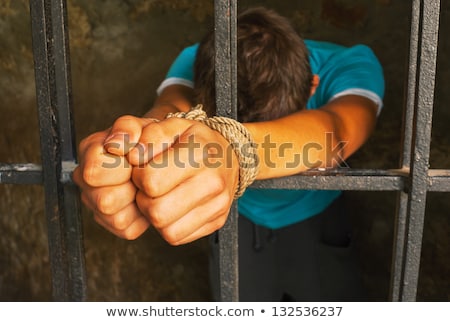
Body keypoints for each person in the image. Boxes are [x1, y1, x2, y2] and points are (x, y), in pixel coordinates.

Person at [73, 7, 384, 301]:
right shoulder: (196, 60)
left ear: (314, 85)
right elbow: (171, 113)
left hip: (316, 213)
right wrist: (134, 149)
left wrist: (234, 150)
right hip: (235, 216)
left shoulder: (349, 64)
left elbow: (337, 131)